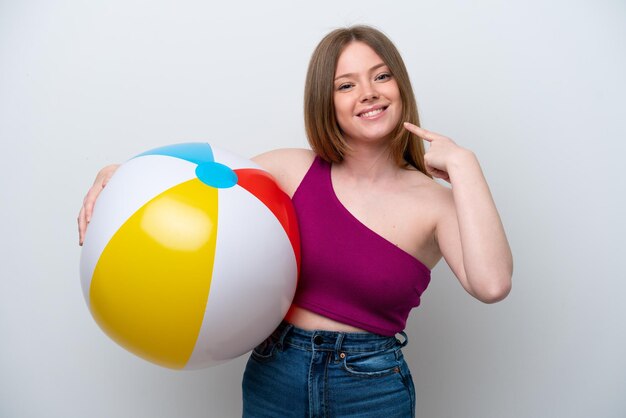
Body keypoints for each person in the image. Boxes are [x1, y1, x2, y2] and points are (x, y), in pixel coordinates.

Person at [78, 25, 512, 418]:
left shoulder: (436, 204)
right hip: (276, 371)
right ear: (327, 101)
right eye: (346, 84)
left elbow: (491, 285)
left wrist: (464, 164)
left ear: (400, 86)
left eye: (381, 76)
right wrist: (118, 175)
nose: (368, 92)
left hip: (371, 386)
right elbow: (199, 188)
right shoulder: (290, 170)